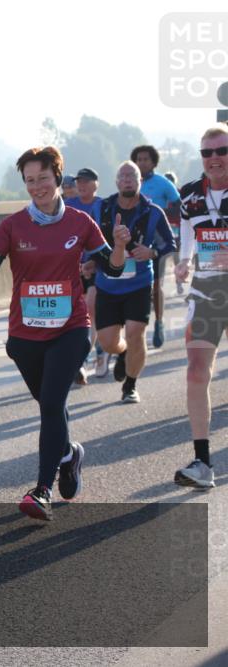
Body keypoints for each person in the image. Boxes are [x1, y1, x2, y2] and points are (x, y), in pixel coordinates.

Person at [0, 146, 129, 521]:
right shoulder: (12, 226)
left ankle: (41, 489)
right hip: (24, 334)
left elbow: (113, 268)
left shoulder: (79, 223)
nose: (37, 186)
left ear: (58, 177)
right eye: (29, 180)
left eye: (43, 178)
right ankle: (70, 454)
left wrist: (120, 245)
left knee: (53, 403)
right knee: (49, 405)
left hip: (71, 327)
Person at [173, 124, 228, 489]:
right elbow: (189, 239)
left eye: (220, 150)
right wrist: (184, 262)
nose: (213, 159)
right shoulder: (190, 196)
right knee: (196, 372)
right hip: (207, 292)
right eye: (206, 153)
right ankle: (202, 463)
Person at [93, 162, 175, 403]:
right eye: (123, 176)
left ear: (140, 182)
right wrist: (88, 261)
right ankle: (123, 352)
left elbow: (169, 245)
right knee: (108, 342)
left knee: (135, 332)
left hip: (139, 283)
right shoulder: (102, 208)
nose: (128, 179)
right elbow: (89, 240)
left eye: (133, 176)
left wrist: (151, 253)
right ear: (117, 182)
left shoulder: (153, 212)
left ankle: (130, 385)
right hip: (107, 284)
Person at [131, 145, 183, 348]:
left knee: (155, 285)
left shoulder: (163, 183)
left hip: (157, 240)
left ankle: (159, 322)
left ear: (153, 162)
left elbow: (179, 205)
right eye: (138, 159)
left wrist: (164, 218)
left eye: (146, 159)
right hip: (135, 241)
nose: (142, 162)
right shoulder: (130, 183)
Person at [65, 167, 105, 382]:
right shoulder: (69, 206)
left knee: (90, 308)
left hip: (96, 266)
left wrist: (96, 260)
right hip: (72, 267)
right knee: (72, 316)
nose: (81, 185)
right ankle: (93, 349)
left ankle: (83, 359)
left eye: (87, 181)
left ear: (96, 184)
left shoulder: (103, 206)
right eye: (79, 181)